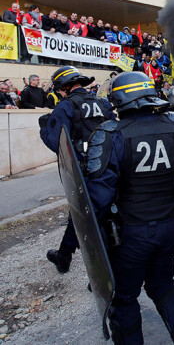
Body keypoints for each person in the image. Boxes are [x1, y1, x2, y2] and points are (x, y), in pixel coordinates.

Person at [84, 71, 174, 344]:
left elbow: (98, 198)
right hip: (169, 225)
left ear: (120, 99)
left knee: (124, 297)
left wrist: (96, 241)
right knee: (163, 285)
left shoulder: (110, 134)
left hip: (130, 233)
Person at [39, 66, 115, 274]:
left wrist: (44, 128)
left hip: (84, 172)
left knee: (88, 217)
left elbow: (57, 143)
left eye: (58, 89)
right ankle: (64, 255)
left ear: (64, 87)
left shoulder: (65, 107)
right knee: (92, 214)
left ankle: (103, 274)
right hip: (109, 168)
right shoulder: (103, 103)